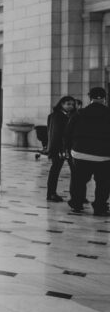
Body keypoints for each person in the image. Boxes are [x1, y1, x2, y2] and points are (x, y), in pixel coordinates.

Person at [64, 87, 110, 216]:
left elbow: (68, 133)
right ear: (104, 98)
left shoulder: (79, 113)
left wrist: (68, 149)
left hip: (80, 153)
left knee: (78, 180)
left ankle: (77, 204)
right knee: (103, 182)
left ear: (90, 98)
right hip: (104, 155)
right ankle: (100, 207)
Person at [46, 95, 76, 202]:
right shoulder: (56, 116)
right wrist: (59, 149)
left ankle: (77, 195)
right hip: (59, 148)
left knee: (76, 171)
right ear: (62, 104)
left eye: (72, 104)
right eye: (68, 104)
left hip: (70, 148)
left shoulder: (72, 115)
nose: (71, 106)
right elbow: (54, 134)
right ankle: (51, 194)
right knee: (55, 171)